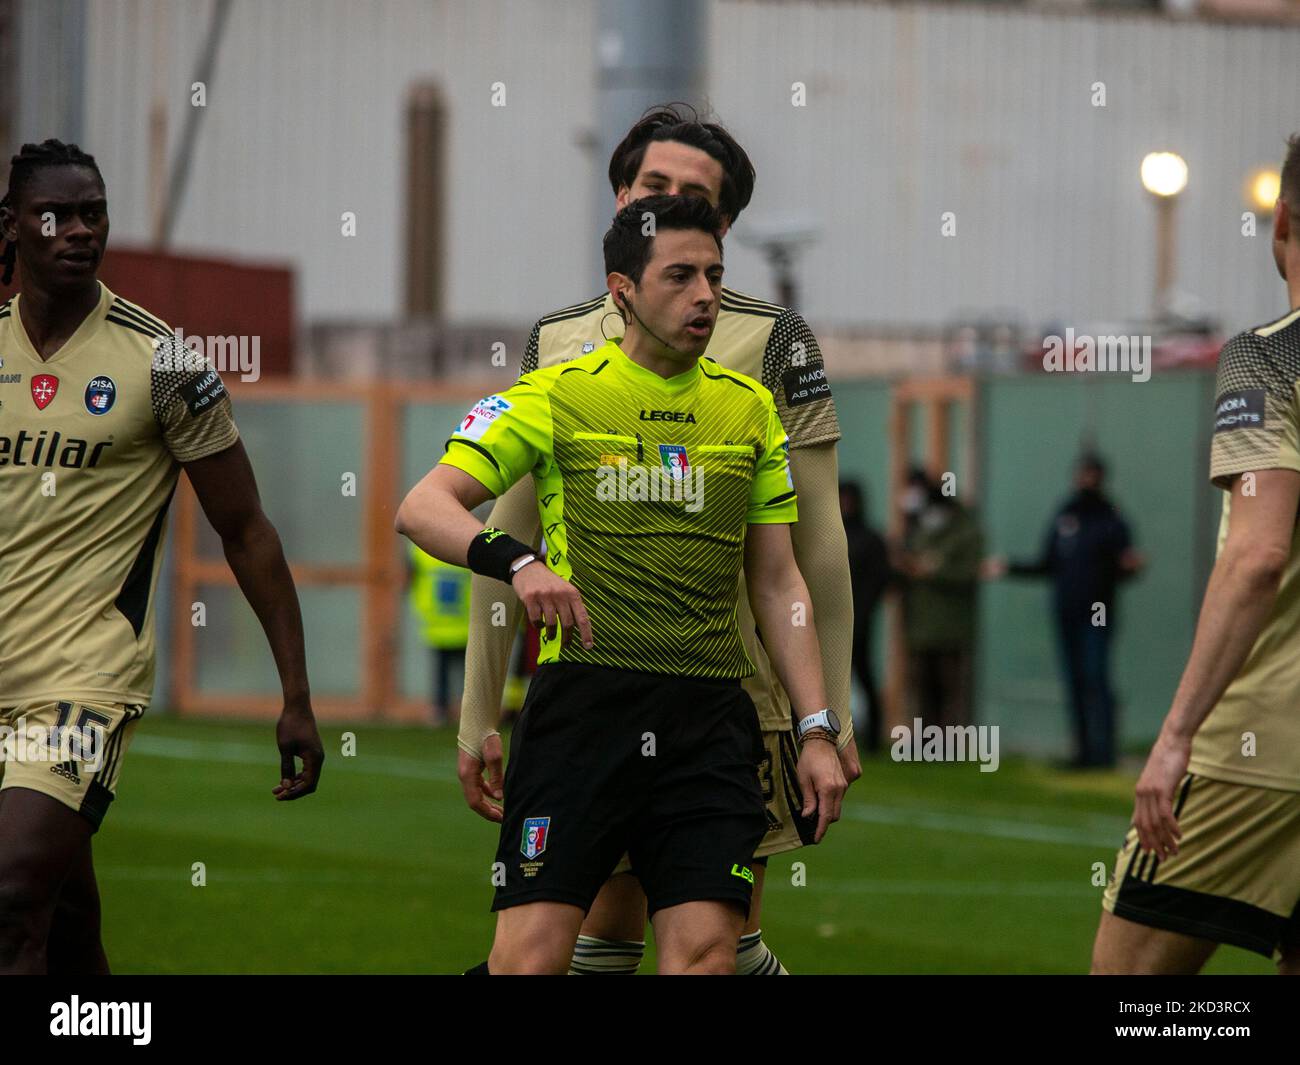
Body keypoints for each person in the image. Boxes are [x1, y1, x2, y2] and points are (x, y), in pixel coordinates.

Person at [455, 104, 860, 976]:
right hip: (594, 686)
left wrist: (824, 714)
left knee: (714, 942)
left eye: (694, 198)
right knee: (597, 929)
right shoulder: (557, 347)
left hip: (735, 695)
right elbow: (506, 526)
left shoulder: (772, 343)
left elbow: (813, 550)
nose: (666, 202)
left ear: (725, 225)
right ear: (617, 197)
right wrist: (479, 707)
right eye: (651, 186)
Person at [0, 140, 323, 975]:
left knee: (9, 896)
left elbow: (245, 527)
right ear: (15, 227)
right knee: (66, 927)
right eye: (55, 214)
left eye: (93, 213)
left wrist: (295, 693)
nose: (79, 230)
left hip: (82, 677)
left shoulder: (167, 362)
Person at [1091, 133, 1300, 975]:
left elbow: (1257, 556)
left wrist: (1176, 734)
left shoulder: (1269, 355)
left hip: (1264, 743)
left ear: (1282, 219)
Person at [985, 454, 1143, 768]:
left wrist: (1130, 567)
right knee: (1074, 682)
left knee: (1095, 678)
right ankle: (1083, 753)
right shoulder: (1066, 514)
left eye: (1092, 474)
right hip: (1066, 612)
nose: (1086, 480)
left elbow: (1125, 564)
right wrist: (1009, 567)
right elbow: (1048, 563)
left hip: (1097, 612)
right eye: (1082, 474)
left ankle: (1104, 753)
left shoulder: (1111, 517)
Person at [896, 468, 982, 729]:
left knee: (950, 688)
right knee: (922, 686)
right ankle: (924, 741)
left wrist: (933, 570)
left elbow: (969, 572)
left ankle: (949, 741)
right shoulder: (918, 527)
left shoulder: (966, 532)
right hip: (920, 626)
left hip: (951, 628)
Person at [839, 480, 890, 752]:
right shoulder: (830, 533)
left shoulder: (870, 539)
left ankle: (872, 737)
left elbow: (880, 579)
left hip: (860, 619)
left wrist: (864, 611)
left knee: (864, 674)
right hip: (832, 619)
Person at [406, 542, 471, 725]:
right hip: (448, 622)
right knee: (451, 671)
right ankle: (445, 709)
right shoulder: (463, 543)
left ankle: (449, 710)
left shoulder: (421, 548)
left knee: (454, 671)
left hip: (454, 622)